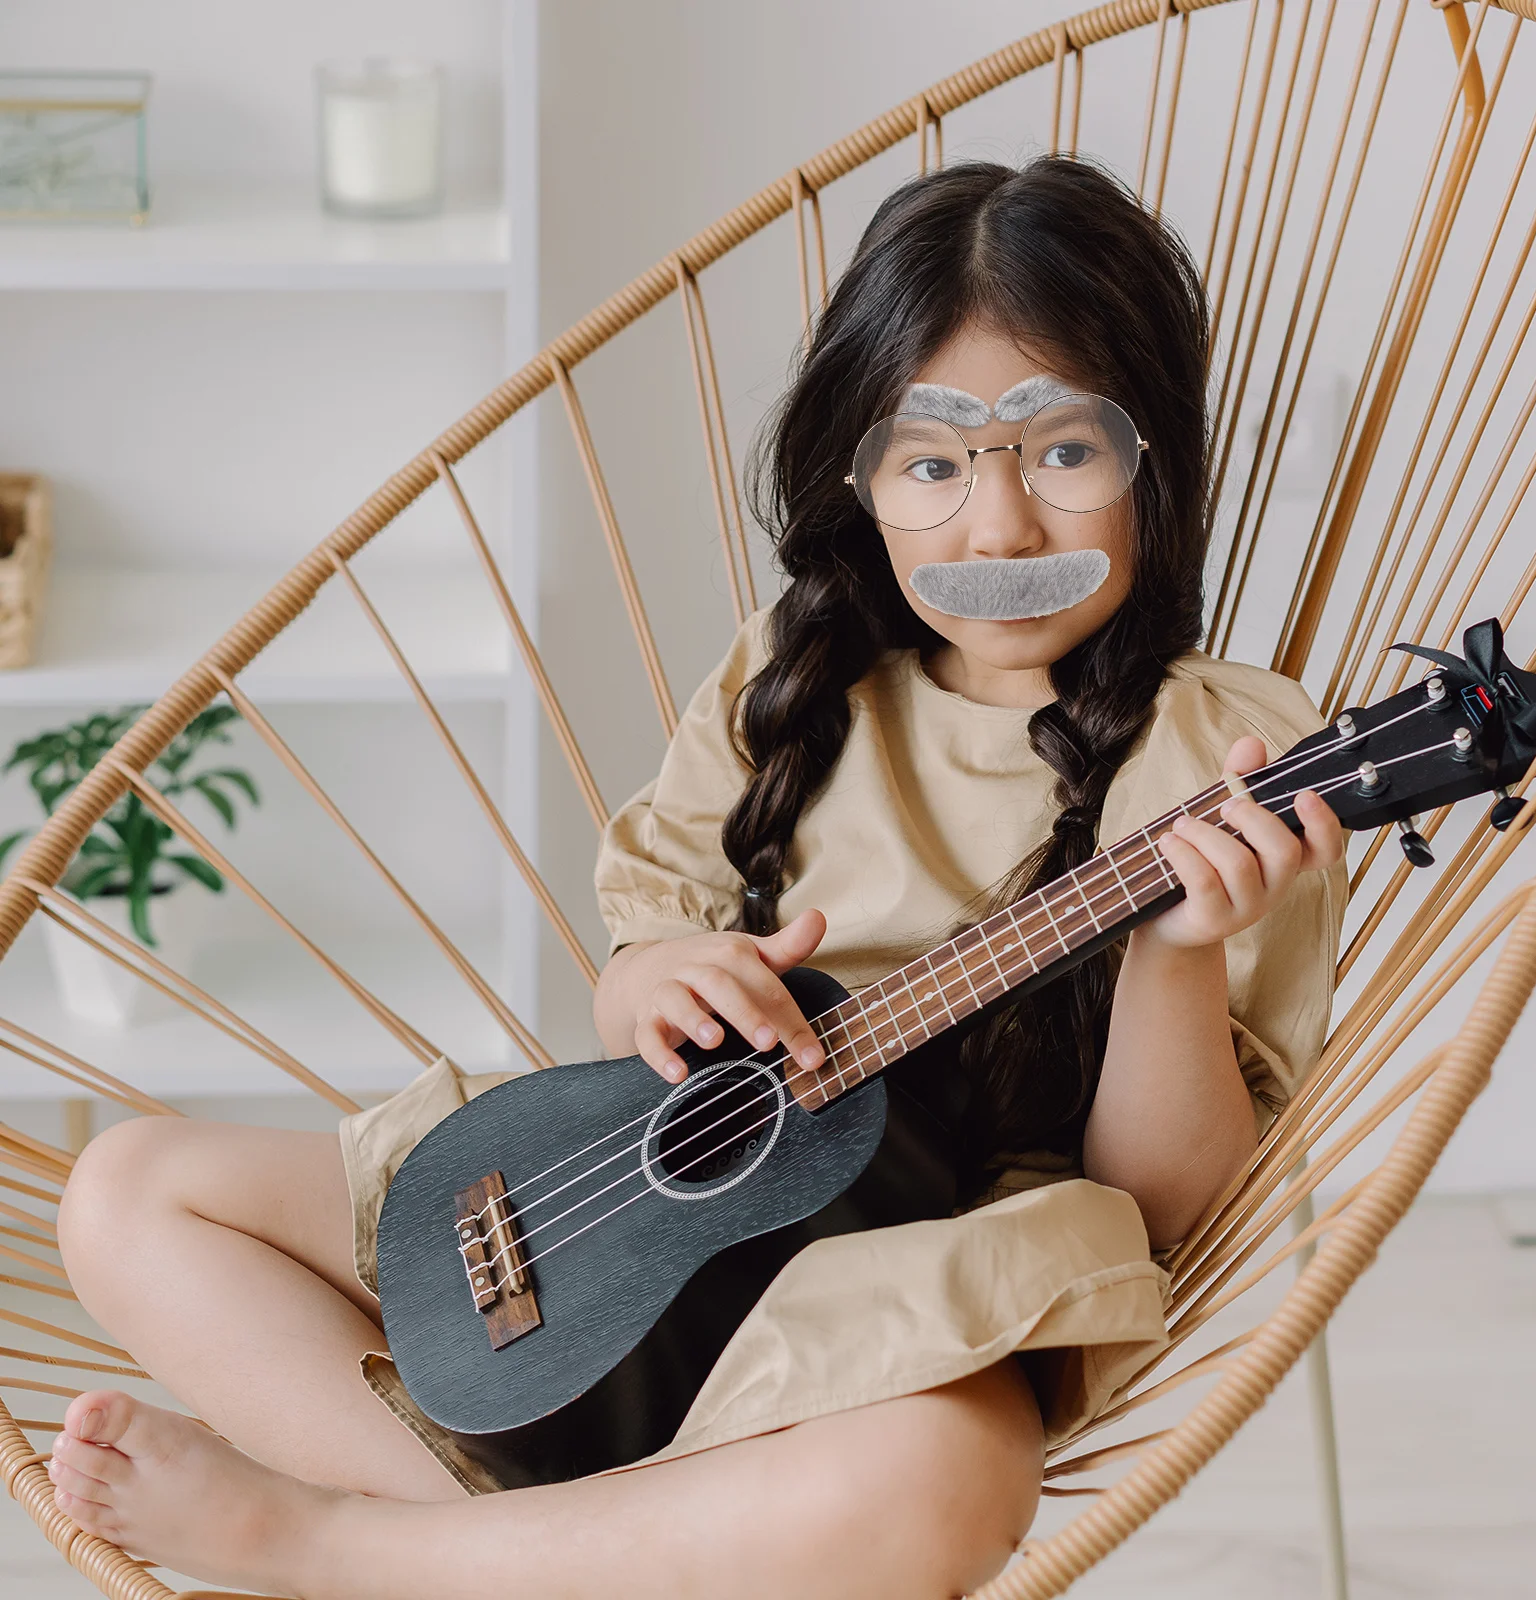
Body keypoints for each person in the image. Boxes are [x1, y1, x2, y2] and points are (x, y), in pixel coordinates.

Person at [47, 156, 1346, 1600]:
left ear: (1155, 456)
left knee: (945, 1481)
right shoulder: (792, 677)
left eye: (1062, 455)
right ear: (859, 480)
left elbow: (1171, 1210)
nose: (998, 531)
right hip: (637, 1221)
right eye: (933, 464)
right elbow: (634, 992)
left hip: (897, 1286)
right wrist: (655, 984)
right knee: (126, 1189)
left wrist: (1171, 956)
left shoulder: (1219, 760)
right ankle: (495, 1545)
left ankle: (350, 1550)